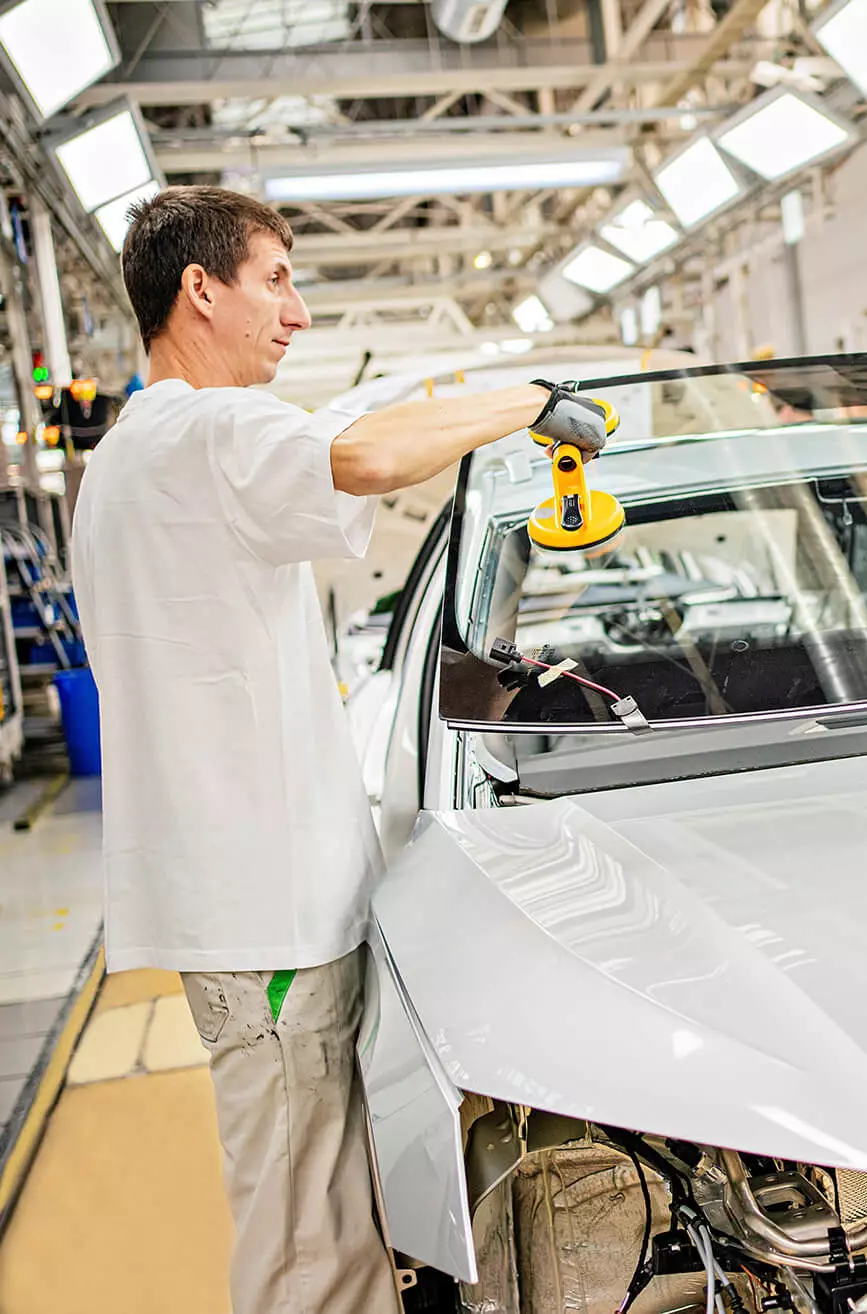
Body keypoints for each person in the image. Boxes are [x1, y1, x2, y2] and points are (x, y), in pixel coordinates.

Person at [70, 185, 613, 1314]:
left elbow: (339, 446)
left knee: (311, 1216)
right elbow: (363, 458)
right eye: (276, 279)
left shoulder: (140, 450)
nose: (298, 312)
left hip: (247, 909)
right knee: (307, 1248)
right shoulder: (204, 431)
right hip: (265, 920)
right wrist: (533, 399)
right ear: (199, 290)